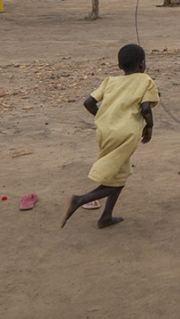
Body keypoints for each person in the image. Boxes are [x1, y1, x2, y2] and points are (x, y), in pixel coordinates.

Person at [62, 44, 159, 229]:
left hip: (105, 131)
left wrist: (104, 117)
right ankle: (80, 199)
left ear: (119, 66)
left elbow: (88, 102)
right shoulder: (145, 80)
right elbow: (146, 109)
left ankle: (106, 217)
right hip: (127, 133)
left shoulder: (110, 81)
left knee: (118, 174)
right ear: (142, 64)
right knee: (116, 181)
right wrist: (150, 127)